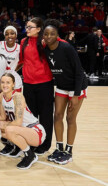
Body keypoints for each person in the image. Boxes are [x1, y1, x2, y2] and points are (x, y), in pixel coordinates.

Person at [43, 19, 87, 165]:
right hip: (61, 86)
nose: (49, 36)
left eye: (52, 34)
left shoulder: (66, 48)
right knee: (57, 116)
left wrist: (76, 95)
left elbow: (79, 72)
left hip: (76, 87)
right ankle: (59, 148)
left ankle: (69, 151)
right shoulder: (45, 50)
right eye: (46, 34)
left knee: (70, 118)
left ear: (57, 36)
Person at [19, 17, 54, 155]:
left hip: (44, 83)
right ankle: (33, 142)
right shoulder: (23, 42)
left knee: (45, 115)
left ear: (39, 29)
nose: (27, 29)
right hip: (28, 84)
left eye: (30, 27)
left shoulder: (45, 42)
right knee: (31, 116)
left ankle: (45, 144)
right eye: (26, 27)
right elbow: (21, 61)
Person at [0, 73, 46, 169]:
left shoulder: (18, 97)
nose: (5, 85)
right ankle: (18, 147)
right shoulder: (1, 96)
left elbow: (18, 122)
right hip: (21, 130)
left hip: (35, 131)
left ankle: (30, 155)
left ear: (13, 84)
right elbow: (2, 116)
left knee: (8, 130)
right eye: (3, 82)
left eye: (8, 82)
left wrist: (1, 126)